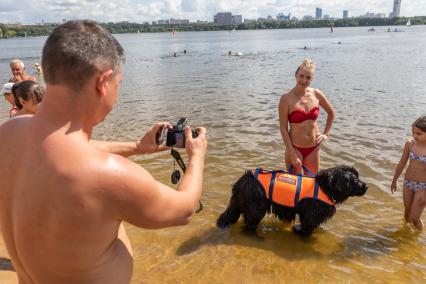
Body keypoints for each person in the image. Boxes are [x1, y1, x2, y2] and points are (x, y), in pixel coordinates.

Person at [0, 20, 207, 283]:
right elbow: (185, 209)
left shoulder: (10, 133)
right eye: (119, 82)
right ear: (104, 82)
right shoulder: (110, 176)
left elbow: (69, 147)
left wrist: (136, 148)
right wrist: (197, 155)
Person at [279, 59, 335, 175]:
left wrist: (325, 134)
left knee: (312, 185)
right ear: (295, 75)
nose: (304, 80)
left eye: (308, 77)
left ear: (312, 79)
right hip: (295, 148)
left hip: (313, 149)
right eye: (301, 76)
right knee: (295, 188)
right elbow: (283, 129)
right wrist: (292, 154)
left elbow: (331, 113)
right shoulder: (286, 98)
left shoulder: (316, 94)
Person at [391, 116, 426, 232]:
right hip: (408, 183)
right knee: (407, 212)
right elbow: (402, 163)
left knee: (415, 218)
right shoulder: (410, 144)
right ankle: (406, 236)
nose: (415, 136)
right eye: (413, 132)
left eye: (419, 133)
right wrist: (394, 180)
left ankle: (417, 241)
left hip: (423, 187)